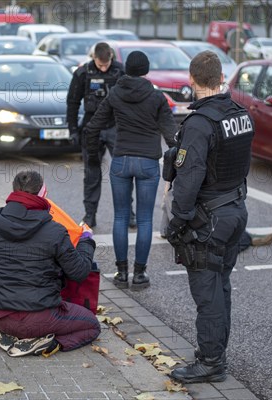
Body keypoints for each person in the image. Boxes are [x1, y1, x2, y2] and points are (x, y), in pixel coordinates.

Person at [166, 51, 254, 383]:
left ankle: (211, 361)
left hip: (209, 219)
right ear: (220, 78)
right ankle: (216, 351)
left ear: (192, 79)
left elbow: (189, 177)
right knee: (222, 284)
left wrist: (178, 220)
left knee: (207, 292)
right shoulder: (240, 114)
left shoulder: (200, 123)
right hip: (235, 210)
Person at [84, 51, 177, 290]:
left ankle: (121, 273)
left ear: (127, 70)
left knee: (121, 217)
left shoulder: (115, 93)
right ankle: (139, 275)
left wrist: (92, 154)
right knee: (145, 219)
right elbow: (171, 135)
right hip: (147, 162)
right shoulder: (156, 97)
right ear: (145, 69)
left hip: (121, 160)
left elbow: (93, 126)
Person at [0, 171, 100, 357]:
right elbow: (79, 272)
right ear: (43, 194)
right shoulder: (54, 231)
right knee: (92, 326)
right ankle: (46, 343)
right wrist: (86, 240)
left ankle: (8, 334)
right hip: (37, 317)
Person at [66, 42, 135, 228]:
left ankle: (129, 214)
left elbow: (132, 99)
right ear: (93, 58)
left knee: (123, 172)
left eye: (106, 64)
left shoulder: (121, 71)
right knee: (92, 174)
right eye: (100, 64)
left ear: (111, 57)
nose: (103, 68)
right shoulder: (83, 73)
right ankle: (90, 214)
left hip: (115, 126)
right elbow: (72, 102)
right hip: (92, 127)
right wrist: (72, 129)